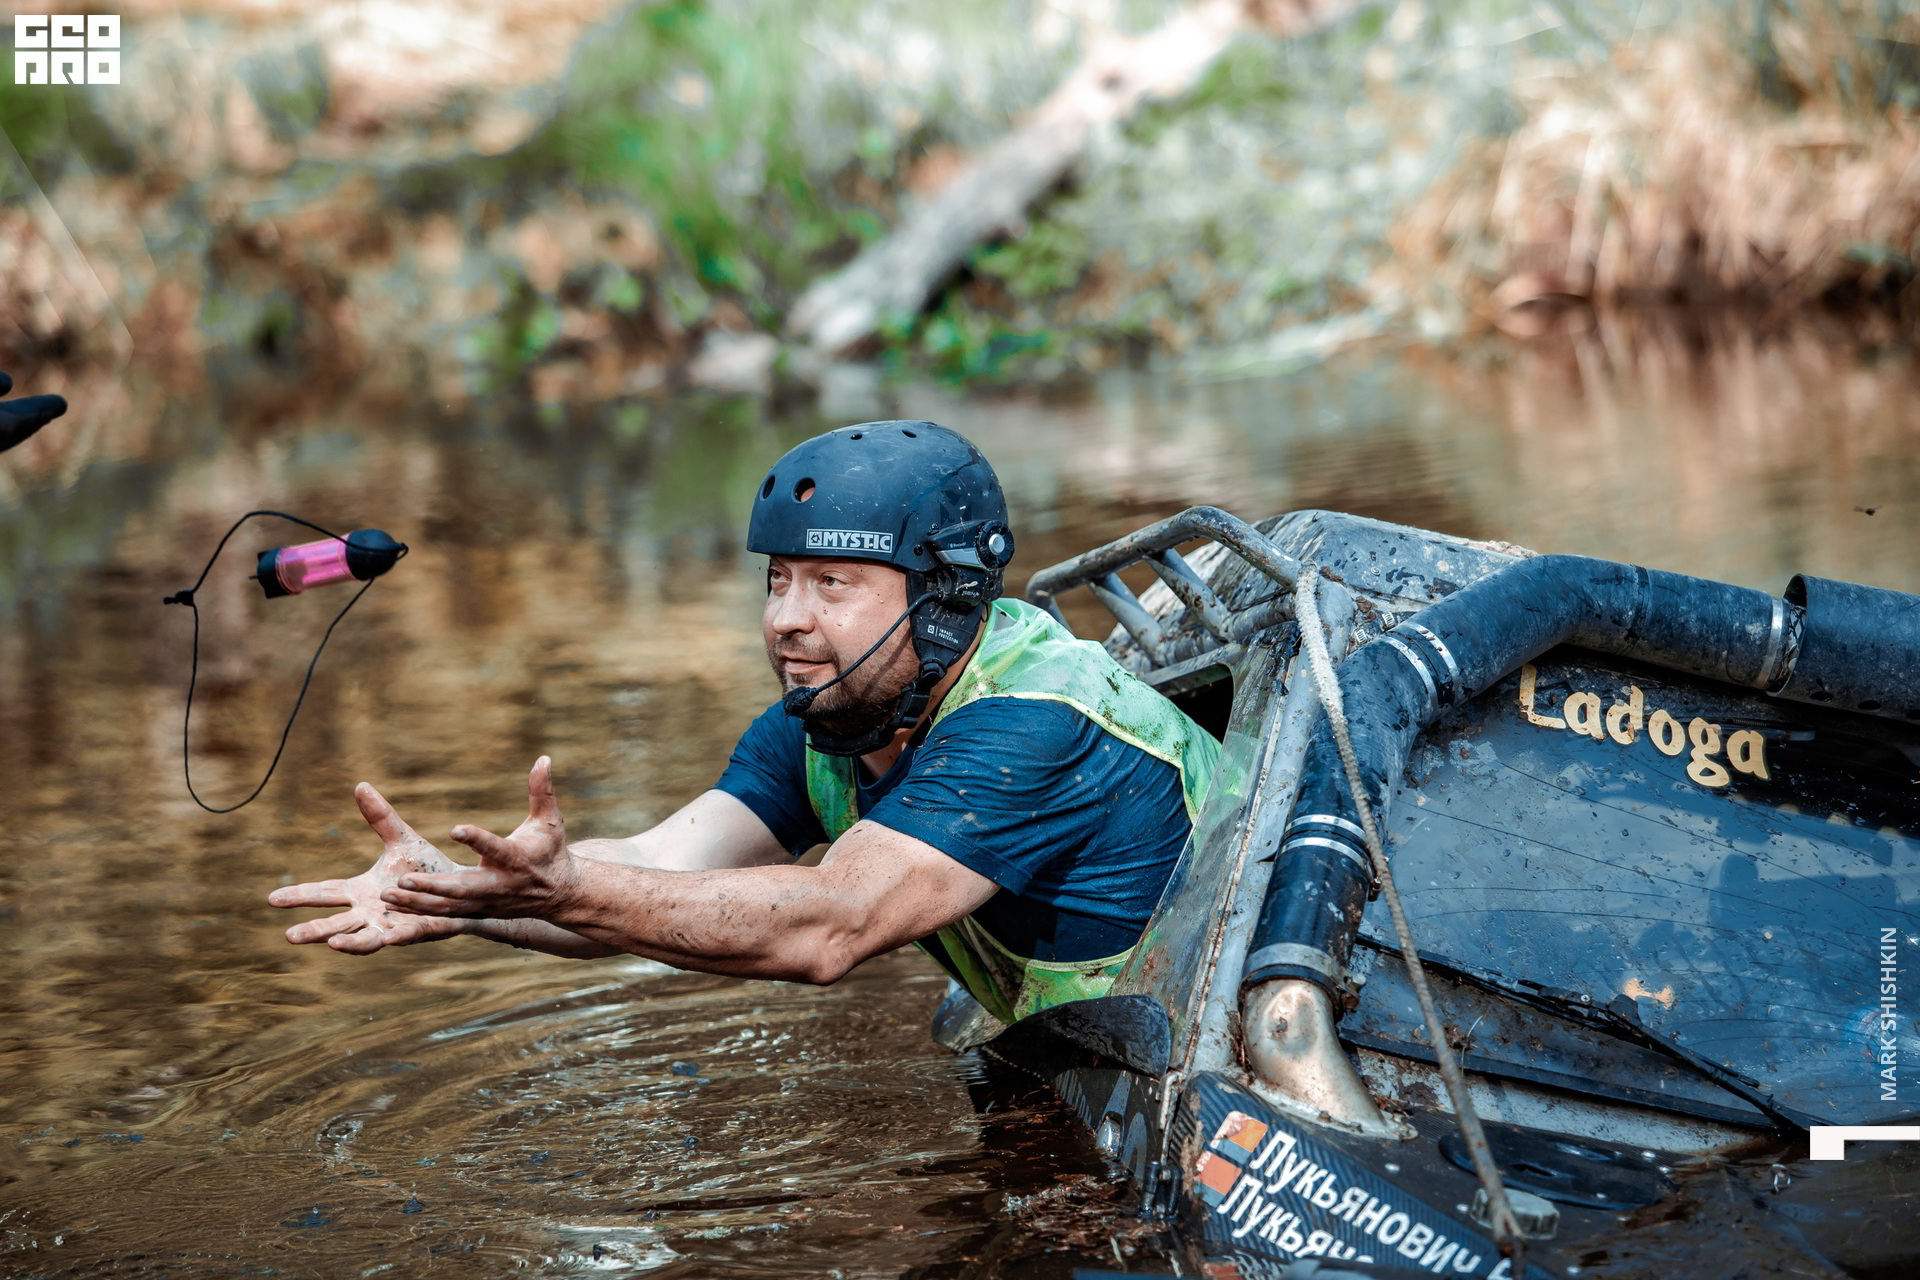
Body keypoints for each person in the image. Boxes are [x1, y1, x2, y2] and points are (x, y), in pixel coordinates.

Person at [271, 421, 1219, 1025]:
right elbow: (653, 869)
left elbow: (830, 925)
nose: (785, 619)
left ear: (945, 597)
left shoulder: (1032, 724)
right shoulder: (832, 720)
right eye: (777, 581)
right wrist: (459, 890)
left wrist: (562, 892)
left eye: (832, 584)